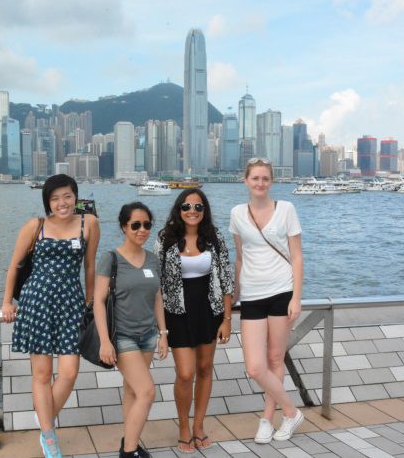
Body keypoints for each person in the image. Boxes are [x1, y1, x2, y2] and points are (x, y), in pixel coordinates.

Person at [1, 174, 100, 458]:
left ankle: (44, 416)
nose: (62, 203)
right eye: (55, 198)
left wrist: (90, 303)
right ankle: (49, 436)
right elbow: (14, 266)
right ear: (48, 202)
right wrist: (7, 302)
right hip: (37, 302)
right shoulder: (36, 226)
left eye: (67, 196)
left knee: (69, 372)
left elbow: (90, 268)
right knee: (42, 374)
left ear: (76, 197)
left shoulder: (89, 223)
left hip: (71, 303)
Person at [229, 158, 305, 443]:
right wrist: (235, 291)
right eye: (255, 178)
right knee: (254, 367)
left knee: (275, 358)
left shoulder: (286, 209)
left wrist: (296, 297)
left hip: (282, 290)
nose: (260, 183)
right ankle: (291, 411)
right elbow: (240, 256)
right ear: (245, 181)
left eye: (265, 179)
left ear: (271, 182)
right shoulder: (237, 213)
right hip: (251, 294)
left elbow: (297, 256)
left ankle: (267, 418)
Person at [153, 189, 234, 453]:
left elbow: (226, 280)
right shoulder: (165, 239)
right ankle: (183, 426)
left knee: (205, 368)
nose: (192, 211)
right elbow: (158, 284)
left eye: (198, 207)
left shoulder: (215, 238)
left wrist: (227, 319)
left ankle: (198, 425)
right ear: (179, 209)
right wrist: (161, 327)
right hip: (177, 312)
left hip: (208, 310)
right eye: (187, 206)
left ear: (204, 211)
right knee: (185, 373)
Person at [94, 202, 168, 458]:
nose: (142, 229)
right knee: (147, 391)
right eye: (135, 224)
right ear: (124, 226)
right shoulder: (110, 259)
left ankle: (131, 441)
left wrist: (163, 334)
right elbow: (99, 303)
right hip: (122, 336)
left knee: (132, 391)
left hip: (147, 335)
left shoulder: (153, 259)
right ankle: (129, 453)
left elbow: (157, 297)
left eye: (147, 224)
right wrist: (104, 340)